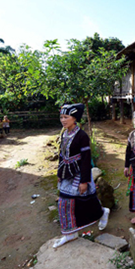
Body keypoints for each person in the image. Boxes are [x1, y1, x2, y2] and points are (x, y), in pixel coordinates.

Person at [53, 103, 110, 248]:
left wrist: (84, 181)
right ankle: (70, 234)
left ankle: (103, 212)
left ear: (75, 118)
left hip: (79, 173)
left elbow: (86, 160)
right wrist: (59, 173)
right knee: (64, 202)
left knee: (84, 201)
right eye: (61, 117)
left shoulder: (82, 136)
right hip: (66, 172)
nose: (63, 120)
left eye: (66, 117)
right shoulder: (64, 133)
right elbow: (62, 154)